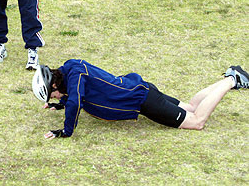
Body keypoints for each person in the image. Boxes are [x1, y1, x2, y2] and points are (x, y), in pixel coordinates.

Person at [32, 60, 249, 139]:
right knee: (191, 106)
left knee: (196, 122)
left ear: (54, 84)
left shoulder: (75, 80)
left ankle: (231, 80)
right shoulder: (71, 68)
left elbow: (76, 101)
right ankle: (233, 75)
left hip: (143, 100)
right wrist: (58, 104)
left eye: (53, 94)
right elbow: (72, 95)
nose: (56, 96)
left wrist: (66, 132)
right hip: (141, 89)